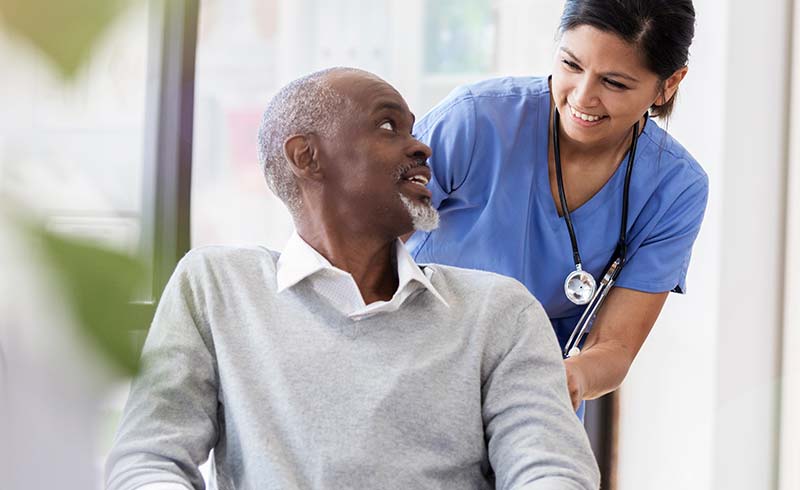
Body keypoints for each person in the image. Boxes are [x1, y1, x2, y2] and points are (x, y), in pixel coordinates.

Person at [105, 67, 600, 490]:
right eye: (389, 126)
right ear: (307, 156)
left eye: (412, 128)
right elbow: (148, 459)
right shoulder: (217, 286)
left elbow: (550, 469)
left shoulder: (499, 311)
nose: (422, 146)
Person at [407, 0, 708, 415]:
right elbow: (362, 245)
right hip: (411, 362)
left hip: (532, 397)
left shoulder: (675, 187)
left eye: (615, 83)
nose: (583, 97)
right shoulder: (476, 121)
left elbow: (615, 347)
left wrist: (569, 378)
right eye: (570, 65)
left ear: (668, 84)